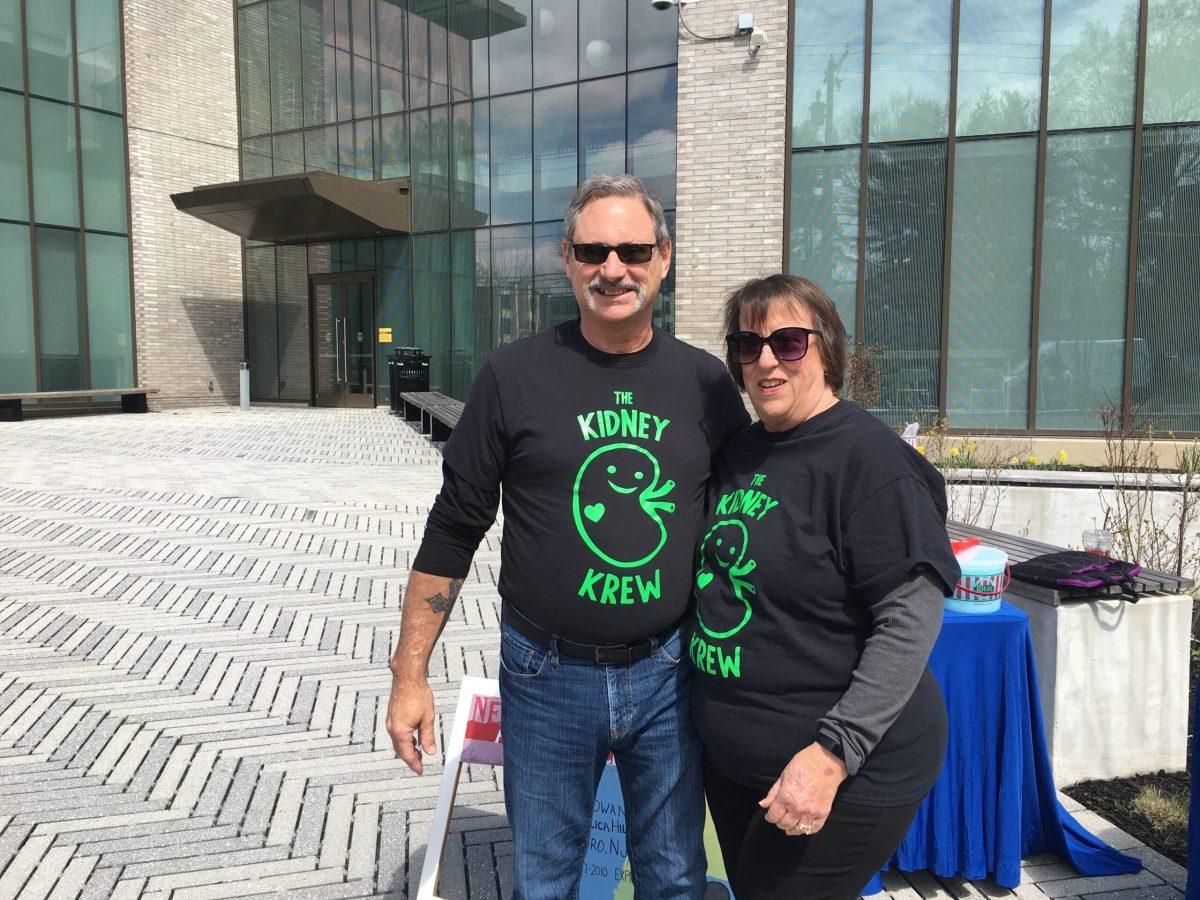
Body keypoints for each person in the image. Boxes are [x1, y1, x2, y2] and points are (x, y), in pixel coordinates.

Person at [386, 173, 749, 899]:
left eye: (632, 250)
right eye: (594, 250)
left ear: (664, 258)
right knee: (545, 879)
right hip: (545, 675)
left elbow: (746, 520)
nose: (613, 268)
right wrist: (408, 675)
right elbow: (455, 525)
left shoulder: (706, 383)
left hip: (670, 673)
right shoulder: (514, 376)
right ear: (567, 258)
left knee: (676, 876)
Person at [690, 274, 960, 899]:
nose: (765, 360)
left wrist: (832, 753)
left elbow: (910, 619)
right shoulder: (741, 452)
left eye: (788, 342)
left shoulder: (868, 460)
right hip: (734, 767)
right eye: (748, 345)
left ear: (827, 350)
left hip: (837, 767)